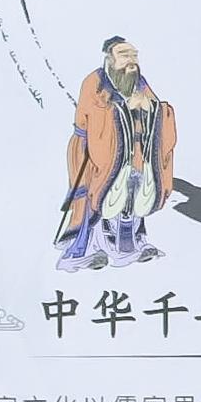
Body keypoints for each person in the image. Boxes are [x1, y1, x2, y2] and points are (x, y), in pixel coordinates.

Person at [56, 34, 175, 271]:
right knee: (94, 201)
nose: (131, 60)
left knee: (134, 197)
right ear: (109, 59)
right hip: (94, 152)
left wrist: (151, 108)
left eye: (134, 55)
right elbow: (93, 117)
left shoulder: (139, 82)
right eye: (124, 55)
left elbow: (160, 111)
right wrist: (125, 107)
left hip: (135, 154)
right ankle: (81, 252)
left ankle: (132, 247)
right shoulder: (95, 82)